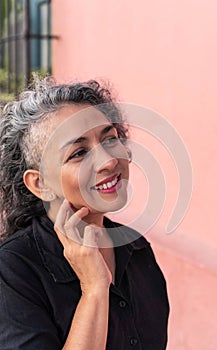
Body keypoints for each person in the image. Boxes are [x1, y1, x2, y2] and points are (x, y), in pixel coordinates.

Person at [0, 76, 169, 350]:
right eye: (78, 153)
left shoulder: (136, 249)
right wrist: (94, 289)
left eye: (110, 139)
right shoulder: (13, 273)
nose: (109, 160)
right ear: (39, 183)